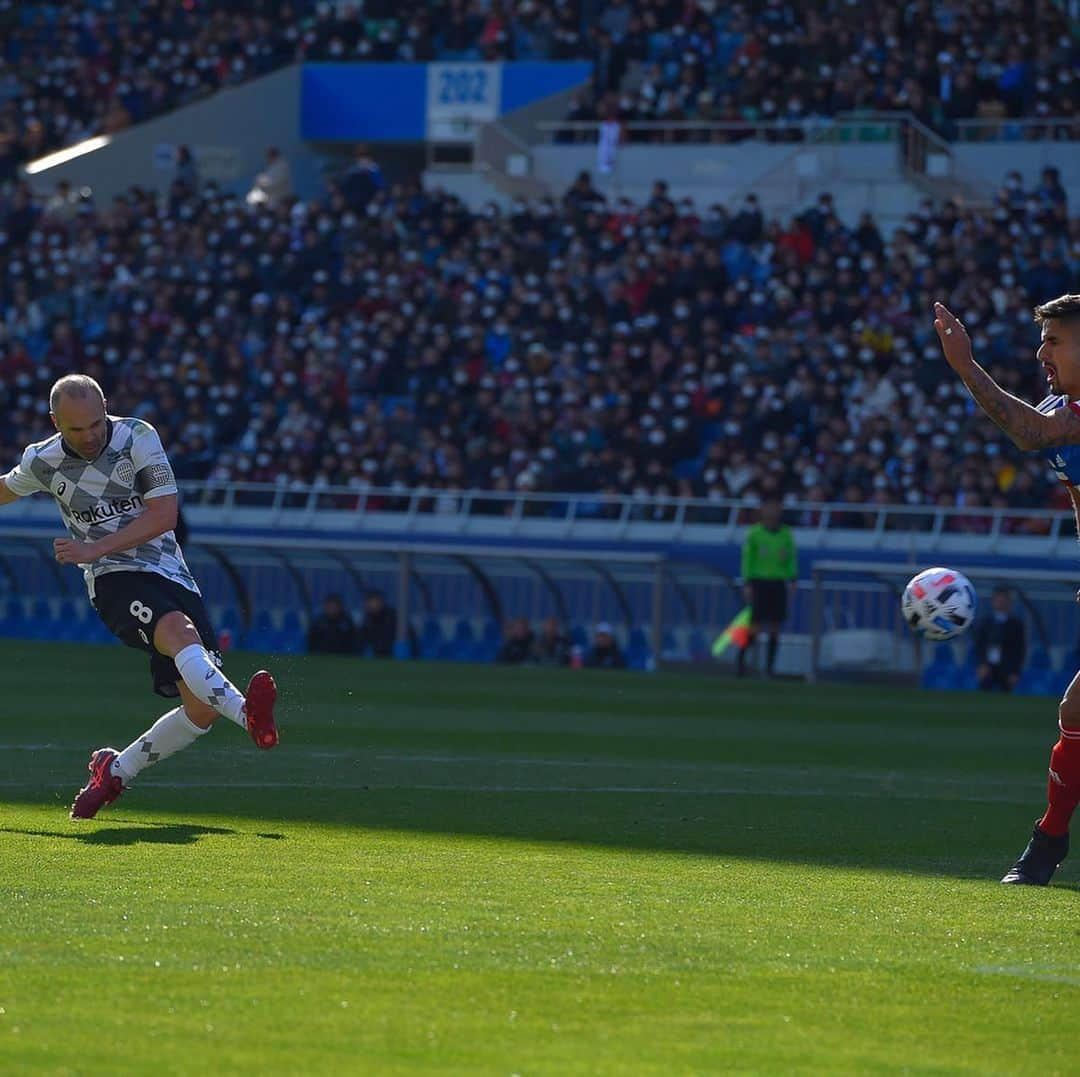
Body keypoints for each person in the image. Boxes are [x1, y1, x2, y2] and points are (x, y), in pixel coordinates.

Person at [0, 375, 278, 819]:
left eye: (95, 423)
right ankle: (248, 715)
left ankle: (114, 772)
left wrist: (90, 546)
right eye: (75, 430)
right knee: (178, 632)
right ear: (55, 423)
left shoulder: (137, 437)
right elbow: (4, 490)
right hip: (112, 579)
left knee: (199, 712)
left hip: (170, 573)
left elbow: (165, 515)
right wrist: (95, 556)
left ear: (105, 407)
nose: (89, 436)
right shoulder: (42, 460)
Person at [933, 293, 1080, 885]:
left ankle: (1045, 848)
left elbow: (1029, 431)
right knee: (1076, 711)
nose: (1042, 351)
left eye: (1056, 341)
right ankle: (1046, 845)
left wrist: (966, 365)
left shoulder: (1067, 415)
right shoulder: (1063, 403)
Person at [737, 496, 797, 678]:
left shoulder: (786, 534)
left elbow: (791, 558)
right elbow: (747, 559)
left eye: (775, 508)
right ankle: (741, 664)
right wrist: (747, 582)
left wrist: (792, 579)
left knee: (775, 627)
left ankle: (769, 668)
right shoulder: (754, 533)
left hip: (778, 583)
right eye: (768, 507)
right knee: (754, 625)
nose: (772, 512)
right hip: (759, 582)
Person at [974, 587, 1026, 692]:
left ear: (1009, 602)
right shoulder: (986, 622)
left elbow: (1019, 649)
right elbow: (979, 645)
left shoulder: (1016, 624)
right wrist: (981, 664)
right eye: (998, 600)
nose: (1000, 603)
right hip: (988, 666)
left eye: (1003, 600)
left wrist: (1015, 671)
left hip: (1007, 667)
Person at [356, 589, 396, 658]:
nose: (373, 605)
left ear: (381, 602)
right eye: (370, 602)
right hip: (375, 655)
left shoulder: (391, 617)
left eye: (375, 602)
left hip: (390, 656)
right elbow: (360, 640)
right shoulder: (368, 618)